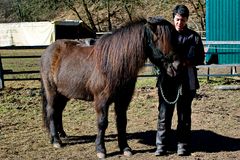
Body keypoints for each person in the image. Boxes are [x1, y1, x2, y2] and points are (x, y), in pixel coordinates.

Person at [155, 4, 205, 156]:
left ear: (187, 20)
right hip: (168, 81)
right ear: (173, 18)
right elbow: (157, 55)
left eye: (182, 20)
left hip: (186, 81)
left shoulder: (194, 37)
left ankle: (182, 144)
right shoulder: (166, 36)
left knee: (184, 115)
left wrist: (185, 62)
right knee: (164, 114)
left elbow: (200, 58)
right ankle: (161, 145)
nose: (179, 23)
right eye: (177, 19)